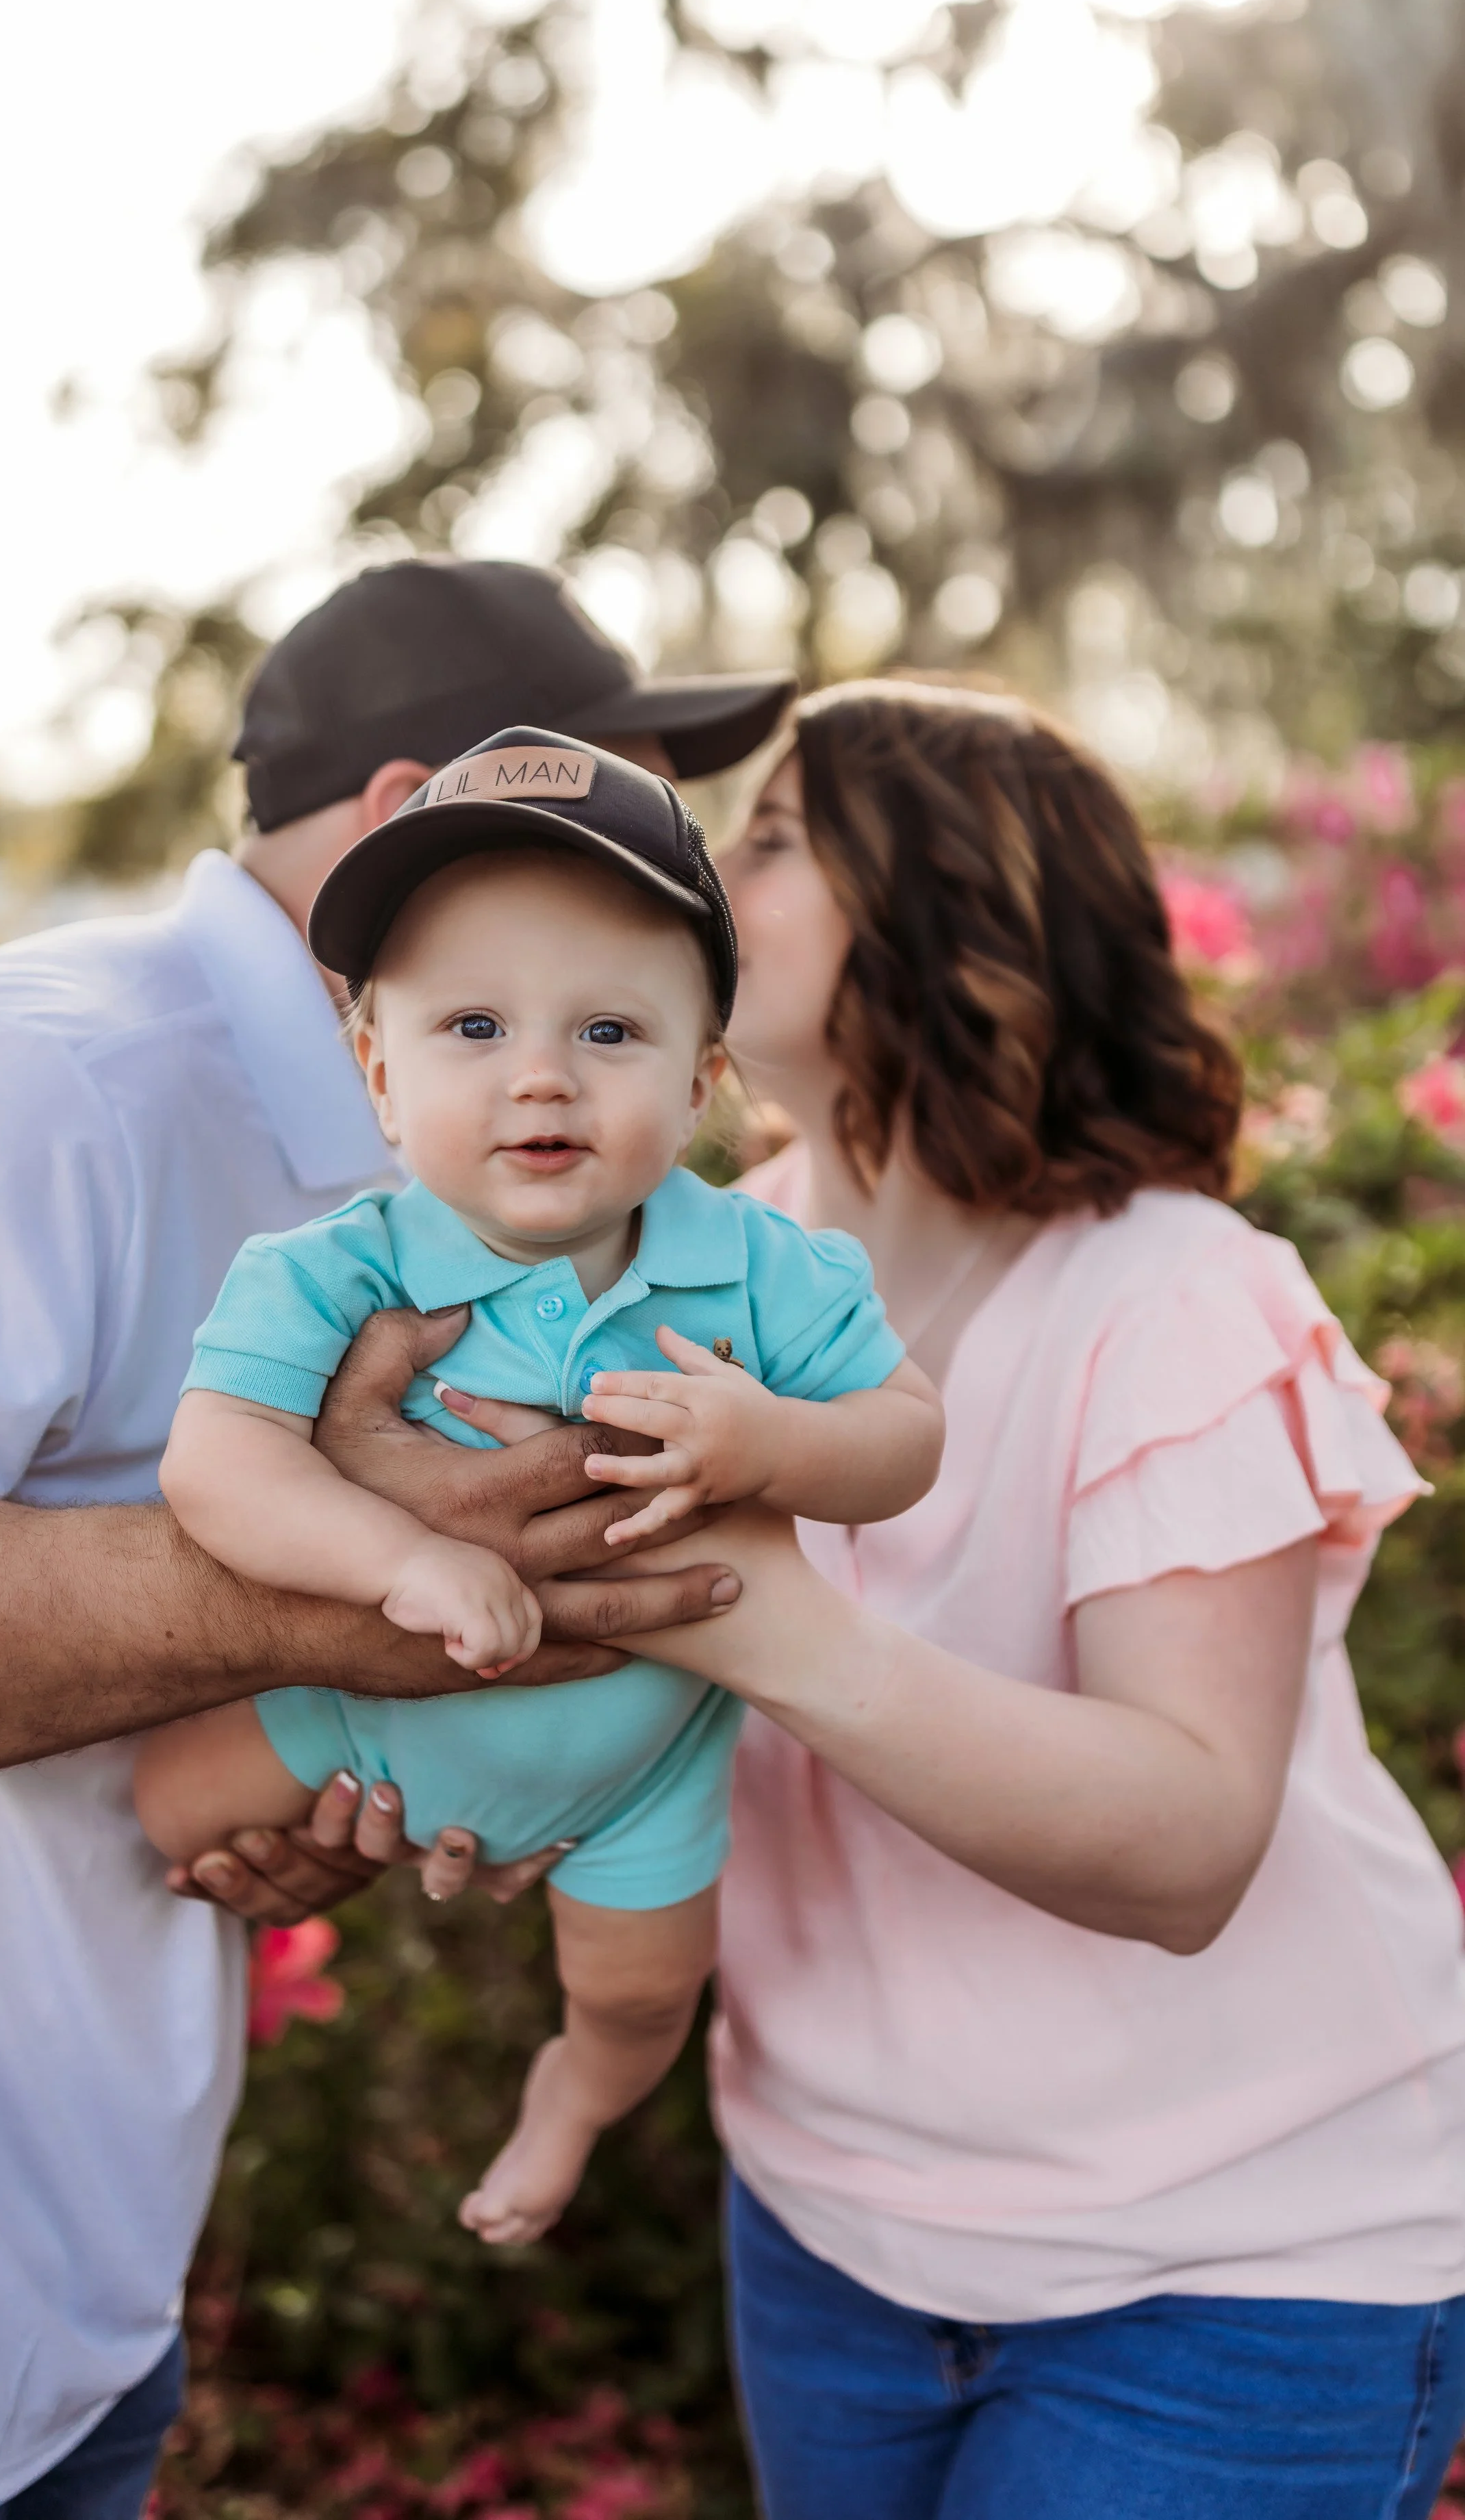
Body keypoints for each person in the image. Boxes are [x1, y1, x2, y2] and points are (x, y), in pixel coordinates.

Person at [0, 563, 793, 2520]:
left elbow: (138, 1645)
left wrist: (307, 1751)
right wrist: (322, 1588)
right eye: (630, 838)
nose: (682, 905)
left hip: (67, 2306)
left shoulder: (428, 1148)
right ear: (412, 820)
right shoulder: (33, 1075)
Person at [449, 678, 1465, 2516]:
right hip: (829, 2226)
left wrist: (769, 1627)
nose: (691, 867)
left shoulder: (1169, 1297)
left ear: (938, 909)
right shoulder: (705, 1264)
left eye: (763, 839)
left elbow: (1183, 1841)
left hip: (1228, 2273)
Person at [137, 730, 942, 2247]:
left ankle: (570, 2100)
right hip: (359, 1705)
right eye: (472, 1025)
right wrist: (395, 1560)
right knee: (163, 1811)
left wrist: (769, 1443)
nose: (539, 1076)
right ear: (376, 1070)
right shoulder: (335, 1267)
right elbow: (217, 1458)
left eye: (611, 1032)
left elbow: (904, 1436)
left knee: (639, 1987)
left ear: (703, 1078)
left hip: (641, 1762)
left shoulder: (763, 1271)